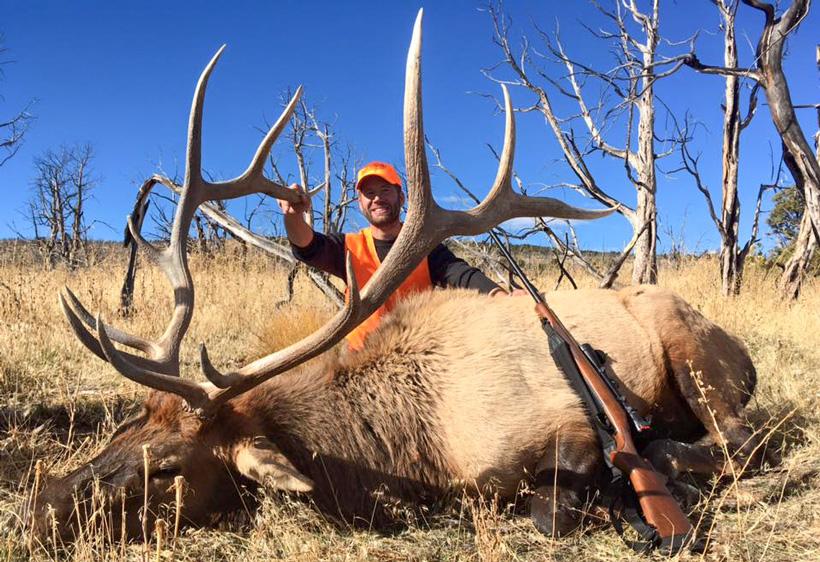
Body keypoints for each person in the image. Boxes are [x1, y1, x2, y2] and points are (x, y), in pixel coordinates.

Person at [279, 161, 513, 349]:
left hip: (417, 357)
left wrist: (502, 297)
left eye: (385, 191)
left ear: (401, 198)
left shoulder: (424, 245)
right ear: (360, 204)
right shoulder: (348, 246)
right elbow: (307, 247)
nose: (377, 198)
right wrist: (292, 215)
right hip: (361, 364)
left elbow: (460, 273)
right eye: (369, 193)